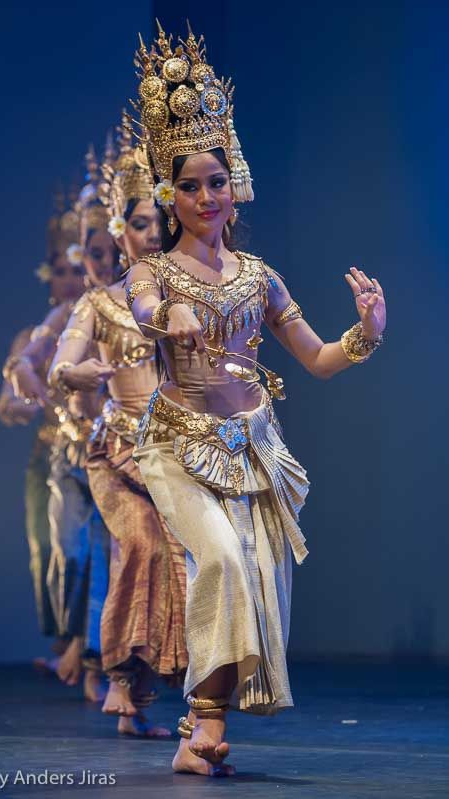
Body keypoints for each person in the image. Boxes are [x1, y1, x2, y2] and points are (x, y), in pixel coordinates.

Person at [126, 22, 387, 776]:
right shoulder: (156, 271)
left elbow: (318, 358)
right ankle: (198, 722)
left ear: (233, 182)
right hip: (176, 445)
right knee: (223, 563)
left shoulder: (258, 276)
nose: (205, 196)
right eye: (189, 185)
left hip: (253, 446)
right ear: (169, 194)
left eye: (216, 181)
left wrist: (365, 332)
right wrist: (166, 316)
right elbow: (143, 308)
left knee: (255, 575)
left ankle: (200, 728)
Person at [48, 112, 187, 737]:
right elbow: (60, 366)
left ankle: (161, 696)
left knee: (186, 554)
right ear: (119, 231)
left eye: (159, 223)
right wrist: (79, 375)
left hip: (172, 447)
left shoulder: (180, 295)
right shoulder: (97, 303)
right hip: (114, 450)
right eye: (139, 224)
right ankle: (122, 681)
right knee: (140, 545)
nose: (151, 235)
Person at [5, 169, 116, 701]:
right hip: (67, 452)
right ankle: (78, 650)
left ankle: (98, 664)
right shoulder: (66, 316)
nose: (84, 272)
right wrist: (29, 381)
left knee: (109, 557)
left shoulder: (130, 304)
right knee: (65, 552)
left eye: (98, 256)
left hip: (119, 449)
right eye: (74, 263)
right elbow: (24, 370)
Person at [0, 187, 88, 668]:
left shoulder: (100, 322)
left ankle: (83, 649)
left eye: (79, 268)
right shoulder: (33, 339)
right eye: (62, 270)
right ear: (48, 277)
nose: (70, 279)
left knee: (80, 551)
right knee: (46, 553)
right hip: (47, 452)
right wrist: (19, 404)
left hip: (92, 452)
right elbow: (9, 399)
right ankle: (65, 642)